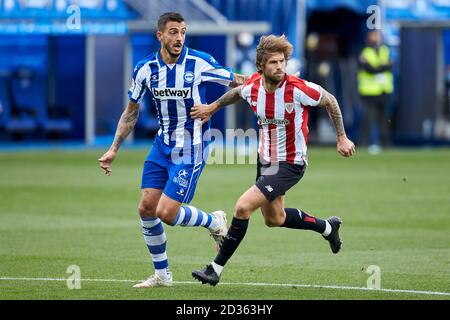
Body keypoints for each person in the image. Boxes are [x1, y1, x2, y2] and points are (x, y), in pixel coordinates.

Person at [189, 35, 355, 286]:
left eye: (282, 61)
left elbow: (330, 100)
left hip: (290, 164)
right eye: (274, 62)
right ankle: (328, 228)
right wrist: (212, 107)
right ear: (261, 67)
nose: (280, 66)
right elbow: (236, 93)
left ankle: (215, 269)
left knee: (243, 207)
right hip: (266, 160)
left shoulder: (298, 88)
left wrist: (341, 137)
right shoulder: (254, 86)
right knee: (274, 219)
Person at [98, 12, 248, 288]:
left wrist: (267, 80)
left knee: (166, 213)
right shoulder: (145, 69)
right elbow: (131, 112)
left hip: (191, 146)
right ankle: (162, 276)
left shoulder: (198, 62)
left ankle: (214, 222)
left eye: (182, 31)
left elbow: (237, 80)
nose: (179, 37)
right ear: (160, 35)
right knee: (146, 208)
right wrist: (113, 148)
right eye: (173, 32)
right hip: (162, 145)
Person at [357, 30, 393, 154]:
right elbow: (369, 69)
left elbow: (390, 65)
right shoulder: (365, 52)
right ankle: (364, 143)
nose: (376, 38)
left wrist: (378, 67)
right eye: (373, 36)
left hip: (383, 90)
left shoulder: (385, 50)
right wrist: (382, 67)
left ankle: (385, 143)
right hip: (369, 91)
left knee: (384, 119)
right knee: (368, 118)